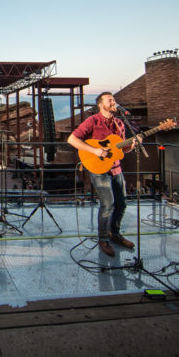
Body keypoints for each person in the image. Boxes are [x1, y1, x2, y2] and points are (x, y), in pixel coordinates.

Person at [67, 92, 141, 257]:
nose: (114, 102)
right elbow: (72, 139)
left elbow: (120, 151)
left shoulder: (120, 124)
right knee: (108, 204)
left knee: (122, 204)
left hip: (116, 169)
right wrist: (95, 150)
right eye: (110, 100)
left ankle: (115, 234)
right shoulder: (93, 121)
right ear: (101, 104)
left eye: (114, 99)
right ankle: (103, 239)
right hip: (99, 170)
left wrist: (133, 145)